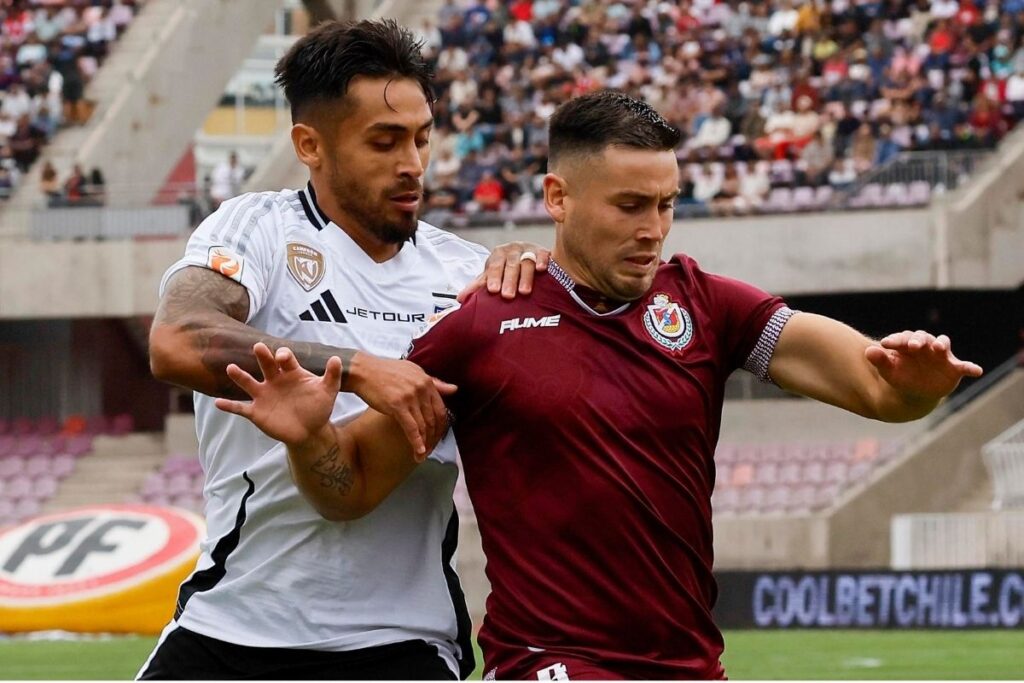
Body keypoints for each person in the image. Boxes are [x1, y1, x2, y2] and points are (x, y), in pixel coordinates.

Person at [217, 91, 984, 679]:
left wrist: (917, 382)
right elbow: (347, 487)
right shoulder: (480, 327)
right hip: (548, 660)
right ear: (558, 199)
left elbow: (877, 390)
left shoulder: (708, 304)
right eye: (629, 206)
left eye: (666, 204)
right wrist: (311, 433)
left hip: (688, 662)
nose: (653, 228)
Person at [140, 20, 547, 680]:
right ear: (311, 144)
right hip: (234, 625)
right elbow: (177, 338)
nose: (412, 161)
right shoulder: (257, 229)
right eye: (383, 141)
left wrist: (539, 276)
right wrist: (360, 370)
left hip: (402, 639)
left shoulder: (468, 275)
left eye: (421, 137)